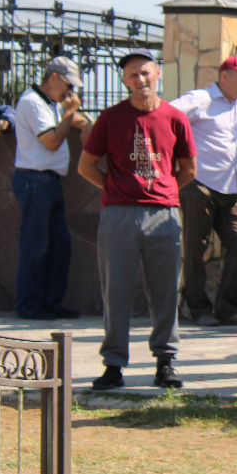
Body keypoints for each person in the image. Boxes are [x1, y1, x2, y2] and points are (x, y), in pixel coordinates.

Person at [79, 48, 197, 390]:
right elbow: (86, 165)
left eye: (145, 72)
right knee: (115, 289)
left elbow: (189, 168)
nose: (140, 80)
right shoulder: (111, 118)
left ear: (157, 74)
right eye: (132, 74)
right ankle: (113, 364)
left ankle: (165, 361)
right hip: (118, 214)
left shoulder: (175, 117)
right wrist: (116, 189)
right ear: (125, 80)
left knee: (166, 290)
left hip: (163, 213)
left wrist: (164, 191)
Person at [169, 56, 237, 328]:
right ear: (225, 76)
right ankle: (196, 308)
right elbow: (168, 115)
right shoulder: (200, 99)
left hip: (233, 186)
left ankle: (227, 308)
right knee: (195, 247)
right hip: (199, 183)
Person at [12, 56, 91, 320]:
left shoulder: (50, 104)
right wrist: (69, 114)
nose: (71, 93)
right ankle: (29, 305)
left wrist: (84, 121)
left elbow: (70, 122)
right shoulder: (32, 103)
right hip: (35, 181)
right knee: (36, 245)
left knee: (60, 245)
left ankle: (51, 302)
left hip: (50, 182)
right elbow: (52, 141)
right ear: (54, 77)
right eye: (69, 85)